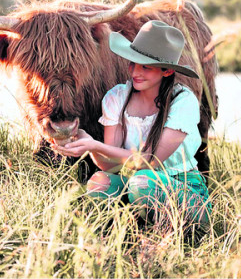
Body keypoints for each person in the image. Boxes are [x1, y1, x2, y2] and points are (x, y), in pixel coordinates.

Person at [52, 20, 211, 224]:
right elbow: (109, 165)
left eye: (146, 67)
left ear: (167, 71)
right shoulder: (117, 97)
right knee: (101, 182)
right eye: (133, 63)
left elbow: (150, 161)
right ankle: (123, 229)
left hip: (185, 189)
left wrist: (95, 145)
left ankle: (179, 230)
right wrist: (88, 144)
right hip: (139, 185)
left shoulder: (182, 101)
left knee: (143, 182)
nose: (135, 72)